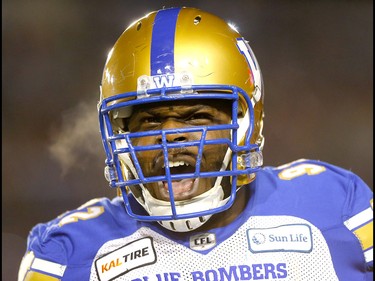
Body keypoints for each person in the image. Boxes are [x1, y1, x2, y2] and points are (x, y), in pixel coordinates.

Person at [18, 6, 373, 281]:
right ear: (120, 134)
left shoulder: (337, 207)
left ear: (244, 126)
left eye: (197, 117)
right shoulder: (65, 254)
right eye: (150, 121)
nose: (171, 135)